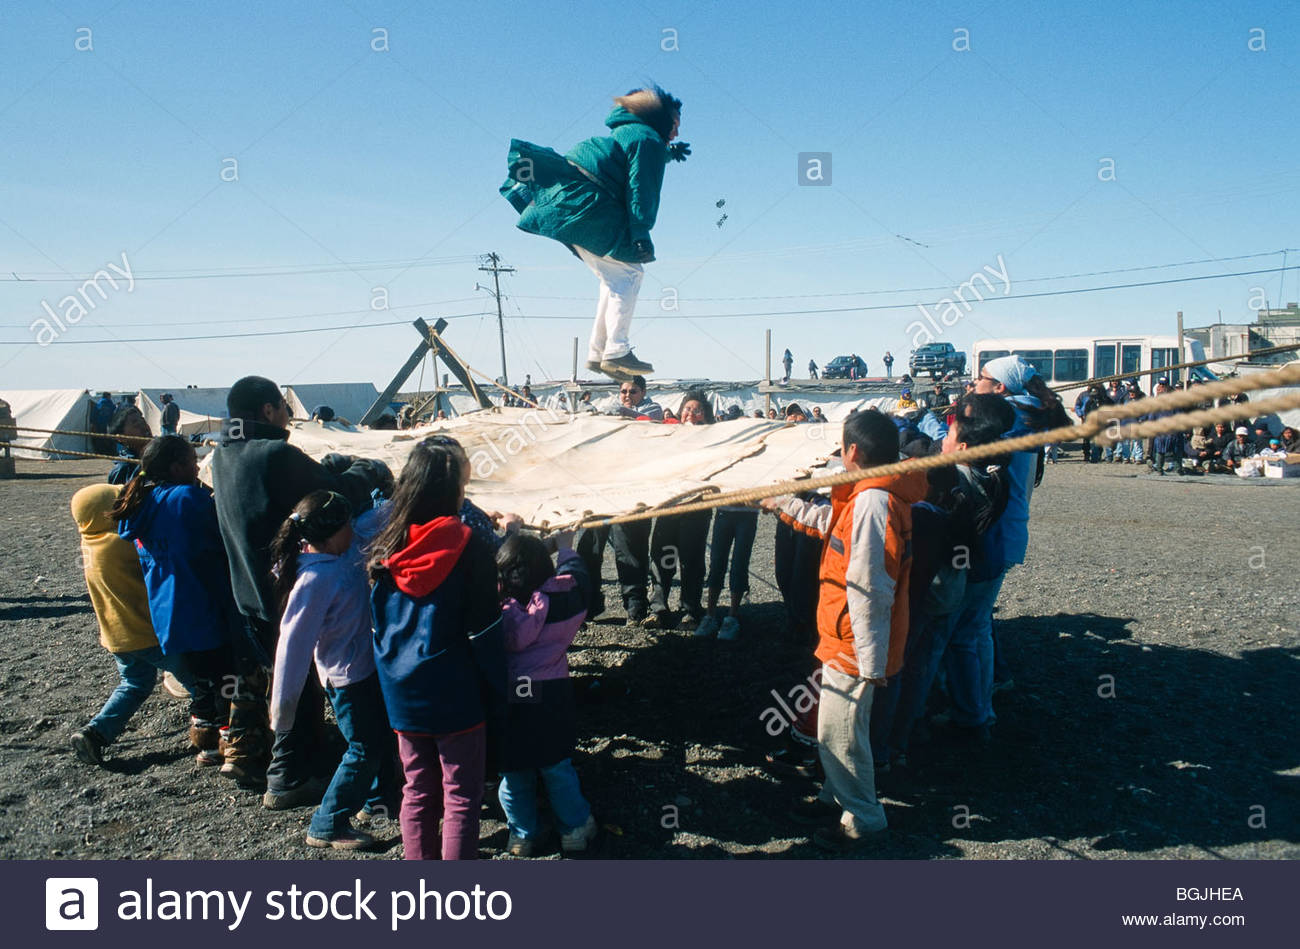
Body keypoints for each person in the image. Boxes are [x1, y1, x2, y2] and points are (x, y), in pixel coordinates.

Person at [211, 375, 390, 789]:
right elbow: (336, 494)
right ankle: (289, 777)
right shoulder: (275, 453)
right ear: (268, 410)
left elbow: (279, 491)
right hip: (284, 590)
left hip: (247, 592)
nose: (289, 415)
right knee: (302, 683)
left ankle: (257, 754)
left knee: (281, 674)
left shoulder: (224, 453)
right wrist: (368, 468)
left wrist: (323, 466)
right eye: (283, 406)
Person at [764, 409, 927, 852]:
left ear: (852, 450)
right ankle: (834, 797)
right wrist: (783, 502)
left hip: (854, 644)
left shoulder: (874, 503)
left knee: (840, 734)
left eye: (841, 447)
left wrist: (871, 662)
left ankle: (864, 821)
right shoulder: (867, 494)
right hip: (845, 637)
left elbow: (871, 585)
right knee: (836, 729)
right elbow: (830, 528)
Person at [369, 438, 506, 860]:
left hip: (400, 690)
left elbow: (378, 621)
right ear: (453, 490)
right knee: (461, 793)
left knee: (417, 787)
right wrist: (501, 689)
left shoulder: (389, 541)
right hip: (455, 689)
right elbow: (486, 629)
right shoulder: (469, 545)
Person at [501, 86, 688, 380]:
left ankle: (599, 351)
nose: (676, 133)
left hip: (564, 203)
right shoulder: (648, 139)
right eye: (674, 125)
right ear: (659, 119)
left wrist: (667, 154)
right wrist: (640, 232)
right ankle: (615, 350)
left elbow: (624, 157)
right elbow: (641, 186)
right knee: (629, 273)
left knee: (614, 277)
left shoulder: (630, 131)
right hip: (584, 206)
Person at [887, 395, 1013, 765]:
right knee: (972, 639)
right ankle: (975, 713)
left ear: (962, 447)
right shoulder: (994, 473)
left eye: (948, 435)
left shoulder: (955, 481)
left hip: (944, 581)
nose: (941, 439)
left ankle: (901, 735)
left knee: (926, 653)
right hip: (980, 568)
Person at [268, 491, 391, 850]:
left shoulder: (341, 552)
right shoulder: (313, 581)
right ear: (334, 531)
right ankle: (327, 823)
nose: (354, 530)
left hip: (364, 670)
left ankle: (373, 803)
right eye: (347, 526)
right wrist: (283, 712)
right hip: (346, 679)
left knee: (376, 738)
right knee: (363, 747)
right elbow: (292, 646)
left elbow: (373, 522)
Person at [111, 436, 237, 768]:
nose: (198, 466)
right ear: (177, 466)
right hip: (204, 607)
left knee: (202, 683)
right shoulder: (187, 499)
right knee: (226, 679)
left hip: (168, 614)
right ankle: (234, 750)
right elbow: (223, 538)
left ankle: (207, 747)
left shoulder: (140, 503)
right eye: (192, 460)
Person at [954, 356, 1068, 719]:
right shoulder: (1027, 415)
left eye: (981, 378)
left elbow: (961, 444)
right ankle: (984, 697)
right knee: (980, 625)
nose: (974, 383)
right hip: (1009, 529)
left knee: (966, 630)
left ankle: (972, 711)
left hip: (993, 533)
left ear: (1000, 387)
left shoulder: (1009, 421)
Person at [69, 484, 196, 765]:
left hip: (116, 637)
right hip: (146, 633)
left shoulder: (90, 542)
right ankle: (219, 734)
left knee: (134, 685)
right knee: (198, 682)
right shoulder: (121, 543)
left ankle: (96, 733)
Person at [495, 532, 599, 856]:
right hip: (549, 694)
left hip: (512, 694)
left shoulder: (492, 607)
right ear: (545, 571)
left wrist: (512, 540)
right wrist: (564, 547)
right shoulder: (561, 603)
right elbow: (580, 581)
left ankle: (521, 835)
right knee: (556, 766)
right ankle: (574, 829)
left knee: (514, 772)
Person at [574, 377, 660, 624]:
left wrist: (622, 412)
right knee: (589, 547)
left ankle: (635, 607)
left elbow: (650, 423)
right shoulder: (608, 409)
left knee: (630, 550)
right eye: (623, 391)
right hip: (600, 487)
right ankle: (588, 606)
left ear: (643, 392)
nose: (626, 394)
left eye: (633, 391)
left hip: (632, 492)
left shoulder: (651, 409)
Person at [646, 392, 714, 630]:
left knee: (692, 560)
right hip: (669, 507)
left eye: (697, 410)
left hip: (696, 508)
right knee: (662, 557)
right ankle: (659, 608)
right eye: (687, 409)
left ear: (705, 415)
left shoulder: (714, 438)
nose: (691, 415)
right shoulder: (669, 434)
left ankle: (690, 610)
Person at [106, 404, 152, 484]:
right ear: (121, 438)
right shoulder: (123, 470)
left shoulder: (159, 455)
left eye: (143, 421)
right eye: (136, 424)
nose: (143, 426)